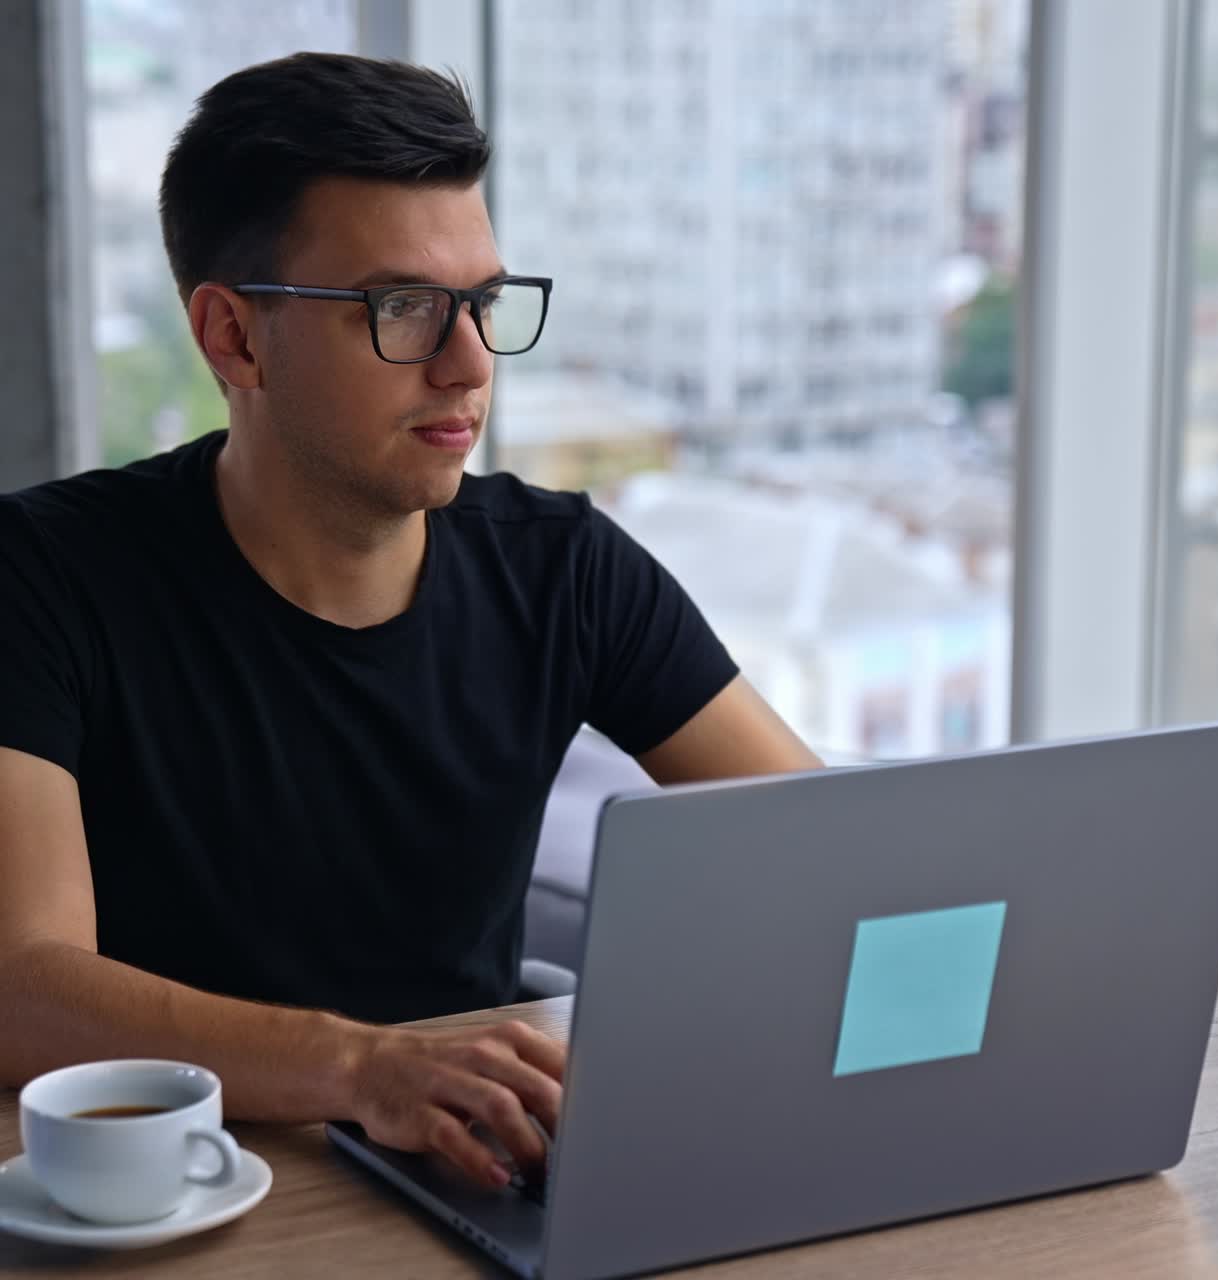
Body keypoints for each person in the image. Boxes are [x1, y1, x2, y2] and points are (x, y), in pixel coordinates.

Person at [0, 52, 820, 1191]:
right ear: (232, 336)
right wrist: (361, 1064)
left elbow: (828, 852)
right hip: (174, 1194)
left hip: (473, 1171)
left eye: (481, 303)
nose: (469, 364)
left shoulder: (564, 568)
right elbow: (20, 983)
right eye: (401, 308)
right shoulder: (43, 572)